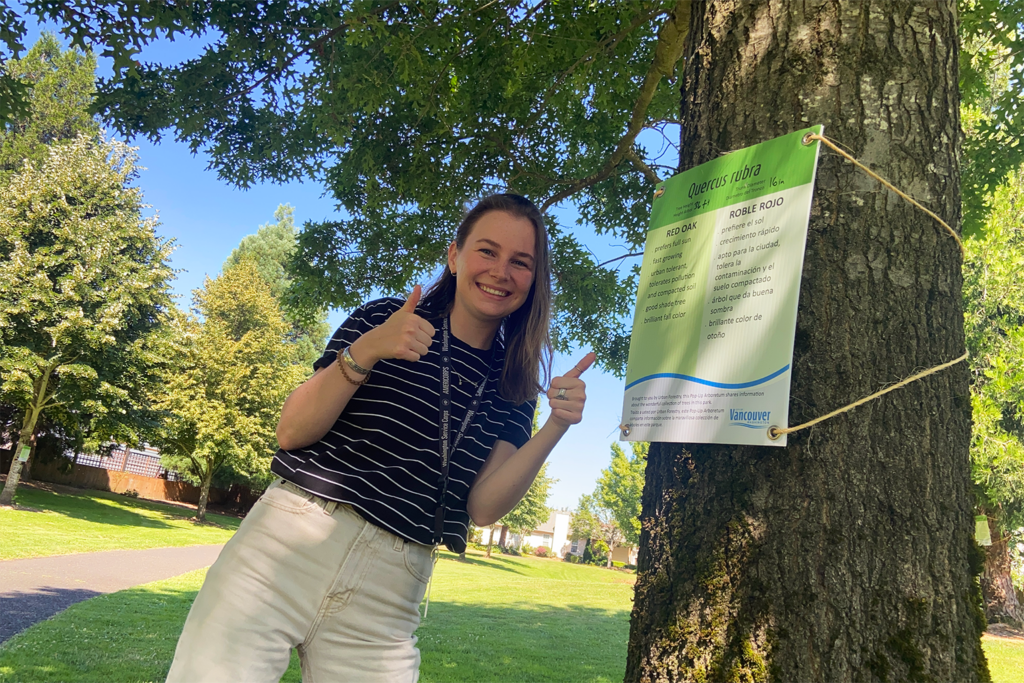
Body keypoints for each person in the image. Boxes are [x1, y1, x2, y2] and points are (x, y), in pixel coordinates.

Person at [166, 193, 594, 682]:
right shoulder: (384, 318)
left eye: (521, 262)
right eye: (487, 251)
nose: (501, 271)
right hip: (286, 544)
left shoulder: (515, 386)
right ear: (454, 255)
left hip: (394, 584)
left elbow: (483, 508)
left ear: (534, 279)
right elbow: (291, 431)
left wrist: (556, 425)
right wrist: (367, 350)